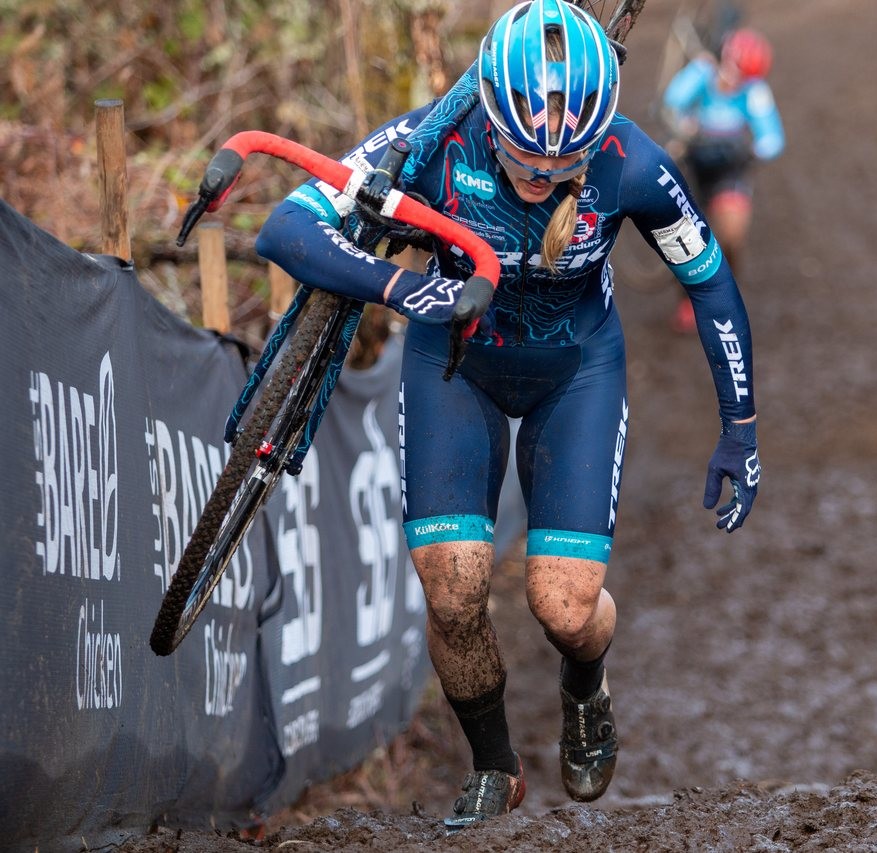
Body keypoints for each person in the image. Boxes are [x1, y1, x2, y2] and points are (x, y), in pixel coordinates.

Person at [255, 0, 762, 829]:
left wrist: (739, 426)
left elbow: (709, 282)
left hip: (577, 374)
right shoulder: (432, 141)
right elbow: (286, 226)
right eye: (524, 154)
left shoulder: (630, 161)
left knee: (562, 606)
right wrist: (403, 285)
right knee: (453, 589)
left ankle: (586, 684)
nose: (539, 174)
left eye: (561, 163)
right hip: (455, 363)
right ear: (488, 109)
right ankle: (495, 766)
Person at [661, 26, 784, 333]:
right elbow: (673, 101)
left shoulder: (754, 91)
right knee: (687, 242)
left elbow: (772, 137)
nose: (734, 80)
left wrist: (751, 149)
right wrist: (686, 128)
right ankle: (690, 300)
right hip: (694, 168)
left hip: (730, 171)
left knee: (730, 235)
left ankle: (724, 296)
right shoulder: (703, 73)